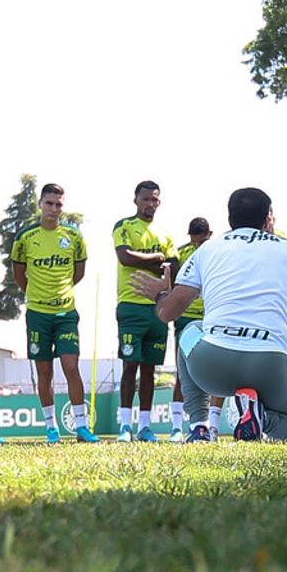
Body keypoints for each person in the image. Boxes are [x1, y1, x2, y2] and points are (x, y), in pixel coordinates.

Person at [130, 187, 287, 442]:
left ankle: (200, 426)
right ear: (268, 218)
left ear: (229, 220)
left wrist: (160, 295)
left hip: (214, 365)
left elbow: (168, 313)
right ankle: (261, 417)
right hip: (269, 367)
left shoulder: (206, 250)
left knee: (190, 329)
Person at [11, 183, 97, 444]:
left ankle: (81, 427)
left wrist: (60, 292)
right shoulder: (25, 237)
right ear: (40, 204)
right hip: (38, 313)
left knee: (71, 366)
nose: (54, 209)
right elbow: (18, 274)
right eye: (49, 203)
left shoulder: (73, 236)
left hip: (66, 313)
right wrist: (37, 294)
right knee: (44, 371)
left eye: (59, 204)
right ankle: (51, 428)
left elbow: (78, 273)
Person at [113, 180, 176, 442]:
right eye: (146, 199)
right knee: (130, 365)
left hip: (158, 307)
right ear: (136, 200)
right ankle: (125, 426)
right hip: (130, 306)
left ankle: (145, 426)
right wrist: (156, 259)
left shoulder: (164, 233)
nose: (150, 204)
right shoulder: (124, 226)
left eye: (155, 200)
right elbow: (125, 257)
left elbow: (173, 265)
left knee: (150, 369)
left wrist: (160, 261)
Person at [172, 217, 217, 441]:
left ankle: (212, 424)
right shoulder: (181, 254)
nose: (198, 248)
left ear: (210, 235)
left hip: (211, 319)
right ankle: (178, 427)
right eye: (195, 244)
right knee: (183, 374)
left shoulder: (219, 253)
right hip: (185, 320)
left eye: (202, 242)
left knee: (213, 372)